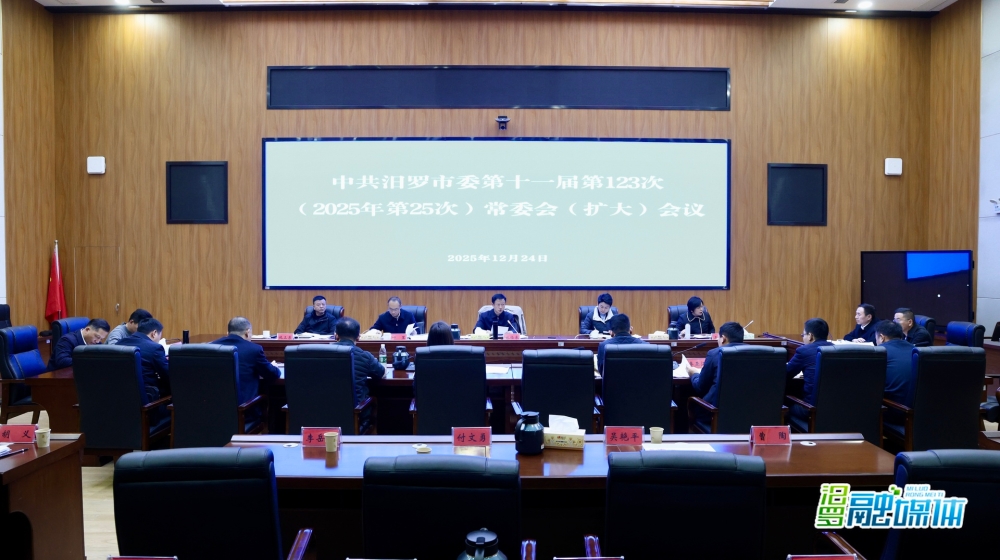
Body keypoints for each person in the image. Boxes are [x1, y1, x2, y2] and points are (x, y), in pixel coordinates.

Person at [211, 317, 281, 421]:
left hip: (215, 412)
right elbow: (273, 374)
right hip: (244, 413)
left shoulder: (212, 346)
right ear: (247, 332)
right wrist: (274, 367)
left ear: (228, 332)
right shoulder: (254, 349)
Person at [688, 322, 745, 430]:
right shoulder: (758, 354)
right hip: (749, 414)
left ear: (723, 338)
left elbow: (700, 387)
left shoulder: (715, 353)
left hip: (714, 414)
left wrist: (694, 373)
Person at [786, 318, 835, 422]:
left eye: (803, 335)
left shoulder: (804, 351)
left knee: (782, 404)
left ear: (810, 336)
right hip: (834, 408)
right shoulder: (835, 349)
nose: (803, 338)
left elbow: (786, 374)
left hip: (809, 409)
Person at [333, 317, 384, 411]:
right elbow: (381, 372)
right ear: (358, 337)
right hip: (356, 412)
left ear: (336, 335)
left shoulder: (320, 354)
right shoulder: (365, 356)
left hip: (322, 412)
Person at [117, 318, 170, 402]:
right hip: (148, 401)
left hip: (120, 398)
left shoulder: (119, 343)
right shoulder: (155, 348)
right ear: (154, 333)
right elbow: (168, 375)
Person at [876, 320, 916, 424]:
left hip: (895, 412)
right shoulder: (915, 350)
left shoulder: (880, 352)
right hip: (919, 414)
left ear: (881, 337)